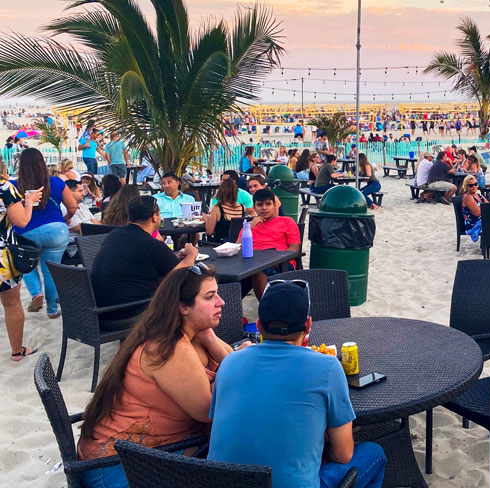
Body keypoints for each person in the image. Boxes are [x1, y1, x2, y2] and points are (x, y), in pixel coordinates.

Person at [208, 279, 385, 488]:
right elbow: (343, 454)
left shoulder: (229, 363)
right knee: (375, 454)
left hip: (222, 481)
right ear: (308, 325)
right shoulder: (327, 368)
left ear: (258, 326)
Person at [78, 263, 236, 488]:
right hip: (118, 468)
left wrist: (210, 338)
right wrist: (233, 369)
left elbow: (231, 363)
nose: (221, 302)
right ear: (183, 307)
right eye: (210, 297)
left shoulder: (191, 333)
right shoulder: (167, 347)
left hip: (152, 453)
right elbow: (209, 410)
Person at [92, 196, 199, 329]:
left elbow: (138, 263)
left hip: (99, 312)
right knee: (184, 305)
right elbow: (182, 272)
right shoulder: (149, 243)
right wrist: (191, 254)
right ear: (154, 217)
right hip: (128, 314)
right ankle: (174, 346)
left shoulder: (115, 234)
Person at [10, 148, 76, 318]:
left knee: (26, 265)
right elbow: (72, 206)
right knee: (51, 270)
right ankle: (53, 309)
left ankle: (36, 293)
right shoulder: (55, 182)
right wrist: (67, 218)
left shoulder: (15, 186)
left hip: (26, 231)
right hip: (56, 230)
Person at [0, 162, 42, 361]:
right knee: (11, 304)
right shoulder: (5, 188)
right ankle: (17, 351)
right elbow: (22, 221)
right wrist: (29, 201)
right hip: (2, 258)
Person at [238, 189, 300, 299]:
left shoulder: (287, 222)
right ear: (254, 207)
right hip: (249, 265)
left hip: (281, 264)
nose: (264, 208)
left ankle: (266, 309)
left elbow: (294, 248)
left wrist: (276, 259)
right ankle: (228, 309)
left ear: (274, 205)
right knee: (226, 281)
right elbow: (237, 248)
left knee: (256, 269)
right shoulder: (249, 226)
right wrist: (250, 227)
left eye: (268, 204)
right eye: (260, 204)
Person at [460, 173, 488, 241]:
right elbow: (477, 213)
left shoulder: (479, 195)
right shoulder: (467, 197)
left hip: (483, 219)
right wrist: (486, 209)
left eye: (475, 184)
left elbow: (489, 206)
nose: (474, 187)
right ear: (466, 186)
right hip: (474, 224)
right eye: (471, 185)